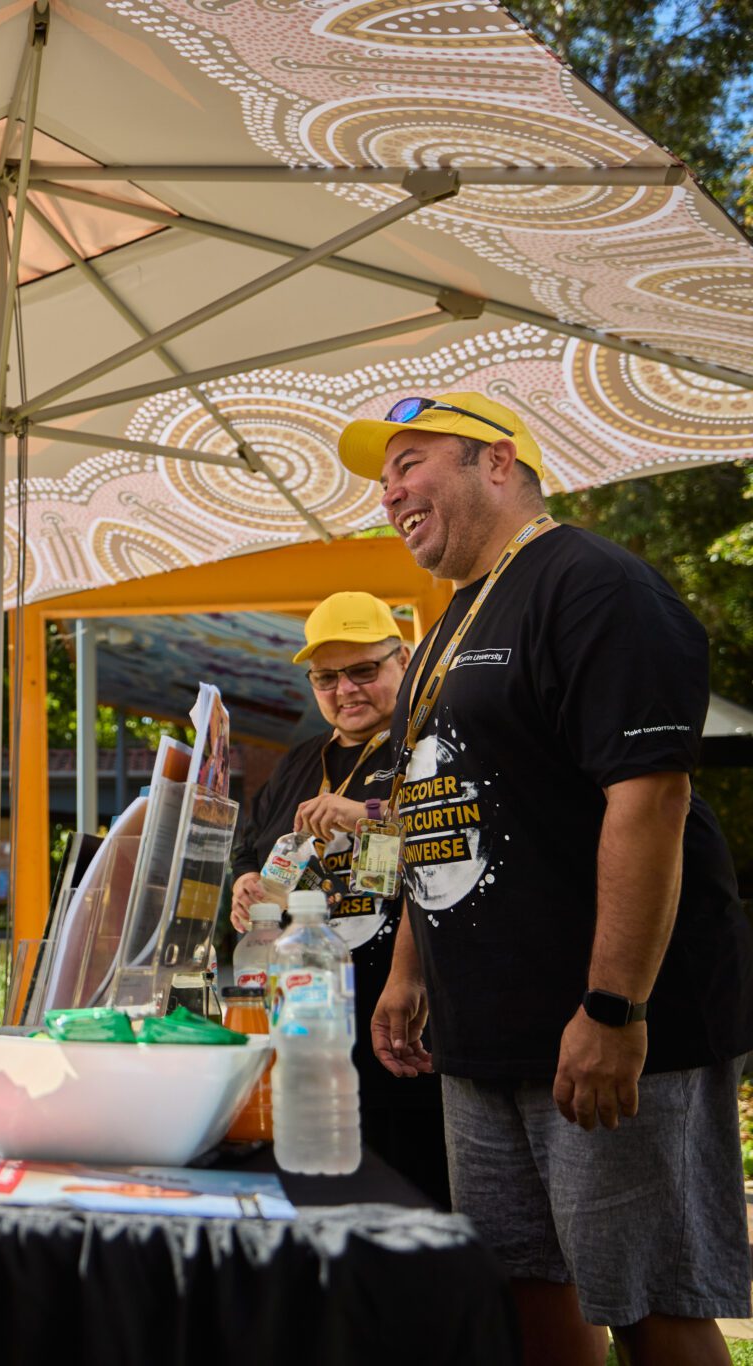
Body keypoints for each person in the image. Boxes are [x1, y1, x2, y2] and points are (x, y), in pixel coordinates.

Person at [342, 392, 753, 1366]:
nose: (389, 490)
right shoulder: (447, 622)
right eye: (382, 475)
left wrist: (613, 1007)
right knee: (523, 1288)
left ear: (495, 462)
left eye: (410, 462)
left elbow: (646, 799)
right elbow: (433, 807)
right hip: (481, 1031)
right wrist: (408, 972)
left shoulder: (593, 585)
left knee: (647, 1301)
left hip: (604, 1023)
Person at [225, 591, 448, 1206]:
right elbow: (252, 852)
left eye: (364, 670)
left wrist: (369, 815)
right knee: (318, 1193)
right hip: (303, 1027)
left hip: (402, 1022)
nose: (346, 690)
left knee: (411, 1191)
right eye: (327, 678)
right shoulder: (301, 762)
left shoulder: (428, 742)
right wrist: (245, 885)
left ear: (402, 660)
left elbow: (456, 836)